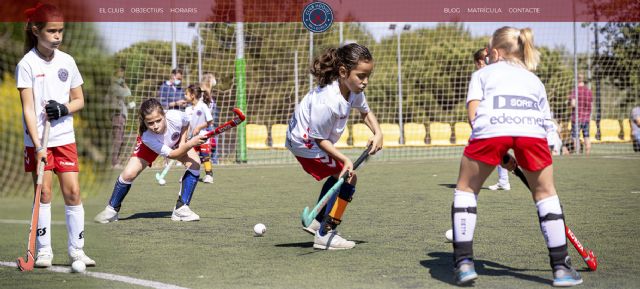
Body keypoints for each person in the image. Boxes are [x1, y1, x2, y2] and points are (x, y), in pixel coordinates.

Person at [451, 27, 582, 286]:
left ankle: (464, 263)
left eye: (488, 53)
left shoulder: (482, 74)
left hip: (491, 130)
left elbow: (475, 117)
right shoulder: (534, 80)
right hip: (532, 133)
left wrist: (499, 152)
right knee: (546, 194)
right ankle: (561, 268)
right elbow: (547, 123)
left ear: (496, 53)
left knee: (466, 188)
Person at [16, 3, 95, 268]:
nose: (58, 36)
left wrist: (63, 108)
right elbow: (27, 108)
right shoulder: (26, 64)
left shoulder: (67, 61)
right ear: (37, 31)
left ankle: (77, 250)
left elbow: (79, 100)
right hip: (39, 140)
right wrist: (38, 145)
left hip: (64, 138)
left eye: (61, 31)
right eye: (52, 31)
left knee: (73, 192)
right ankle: (44, 251)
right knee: (45, 193)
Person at [286, 43, 383, 250]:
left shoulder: (353, 88)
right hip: (304, 142)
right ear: (343, 72)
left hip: (312, 140)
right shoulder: (328, 101)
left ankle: (316, 222)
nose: (365, 82)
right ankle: (324, 234)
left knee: (341, 174)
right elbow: (319, 139)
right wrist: (345, 160)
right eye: (361, 76)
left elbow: (365, 112)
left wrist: (378, 132)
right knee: (348, 175)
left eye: (368, 76)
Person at [94, 98, 208, 223]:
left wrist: (182, 141)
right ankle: (111, 210)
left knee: (195, 163)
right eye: (150, 123)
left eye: (158, 120)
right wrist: (190, 144)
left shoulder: (175, 116)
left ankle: (181, 209)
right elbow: (173, 155)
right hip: (150, 147)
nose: (155, 126)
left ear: (164, 114)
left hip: (175, 143)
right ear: (145, 122)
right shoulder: (147, 136)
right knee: (128, 174)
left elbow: (185, 123)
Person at [474, 48, 511, 191]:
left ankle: (501, 180)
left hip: (495, 116)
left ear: (479, 62)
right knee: (496, 148)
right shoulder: (487, 74)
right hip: (493, 115)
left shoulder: (489, 74)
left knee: (490, 148)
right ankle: (503, 180)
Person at [183, 84, 215, 183]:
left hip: (203, 136)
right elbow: (187, 125)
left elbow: (210, 121)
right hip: (192, 138)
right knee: (191, 156)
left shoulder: (203, 106)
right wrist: (186, 136)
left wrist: (199, 127)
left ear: (192, 95)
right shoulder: (187, 109)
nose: (185, 96)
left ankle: (209, 175)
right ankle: (189, 175)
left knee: (205, 155)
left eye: (186, 94)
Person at [108, 66, 132, 169]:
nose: (122, 74)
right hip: (117, 115)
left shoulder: (119, 85)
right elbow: (127, 93)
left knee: (120, 139)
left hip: (121, 115)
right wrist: (123, 83)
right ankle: (114, 163)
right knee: (117, 139)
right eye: (120, 71)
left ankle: (116, 161)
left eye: (123, 72)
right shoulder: (114, 86)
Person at [568, 73, 593, 155]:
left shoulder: (575, 90)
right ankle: (588, 154)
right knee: (586, 136)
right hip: (586, 118)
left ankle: (578, 153)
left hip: (577, 118)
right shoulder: (588, 91)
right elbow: (591, 105)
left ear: (577, 80)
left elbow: (573, 104)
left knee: (575, 137)